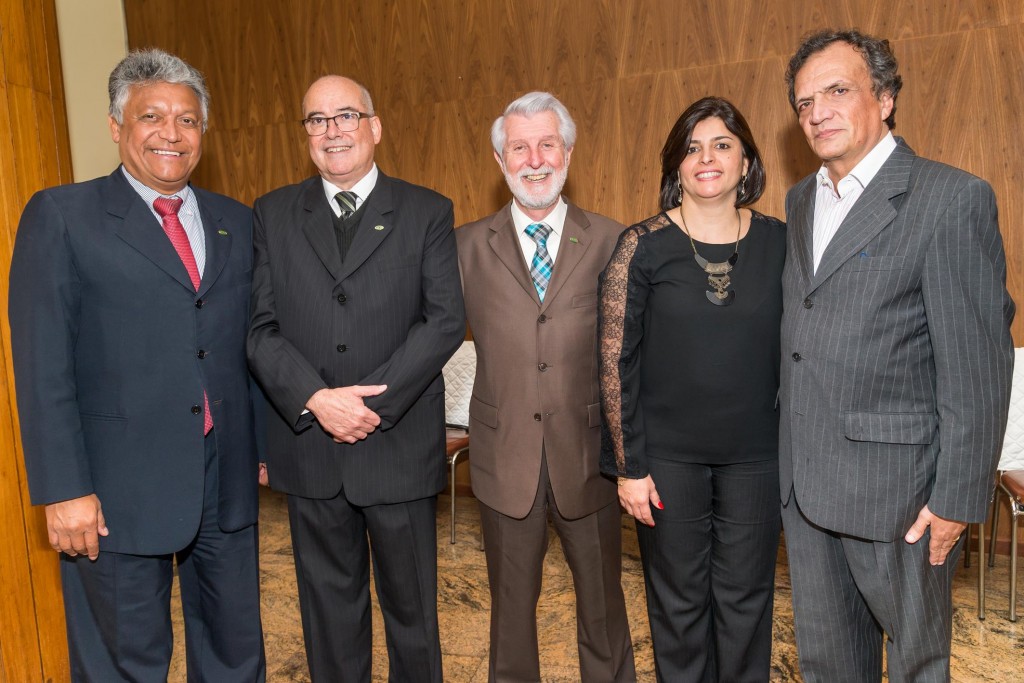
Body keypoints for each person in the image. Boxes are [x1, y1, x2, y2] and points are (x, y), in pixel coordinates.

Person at [8, 49, 265, 682]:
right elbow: (42, 366)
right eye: (152, 116)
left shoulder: (237, 221)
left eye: (188, 120)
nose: (172, 134)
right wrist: (64, 489)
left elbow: (245, 342)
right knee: (125, 664)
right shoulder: (62, 216)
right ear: (117, 126)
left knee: (236, 655)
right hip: (114, 488)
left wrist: (259, 446)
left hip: (224, 479)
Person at [780, 29, 1015, 682]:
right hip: (805, 484)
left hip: (901, 499)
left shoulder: (948, 199)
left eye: (837, 90)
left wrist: (959, 496)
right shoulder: (801, 200)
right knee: (829, 663)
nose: (817, 111)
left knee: (915, 665)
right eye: (804, 102)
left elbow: (977, 364)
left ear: (884, 98)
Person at [246, 75, 465, 682]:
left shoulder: (427, 210)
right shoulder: (272, 213)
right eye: (316, 120)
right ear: (307, 136)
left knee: (413, 615)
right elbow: (260, 329)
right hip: (311, 451)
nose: (331, 130)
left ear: (374, 126)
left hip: (395, 446)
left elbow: (444, 321)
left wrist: (369, 406)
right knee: (328, 616)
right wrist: (317, 399)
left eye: (345, 115)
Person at [600, 96, 784, 682]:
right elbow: (612, 364)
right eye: (693, 147)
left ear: (747, 162)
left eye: (722, 145)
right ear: (676, 165)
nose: (707, 158)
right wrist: (629, 467)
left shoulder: (782, 242)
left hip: (757, 460)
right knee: (678, 606)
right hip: (667, 463)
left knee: (747, 603)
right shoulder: (640, 246)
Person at [457, 92, 636, 682]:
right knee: (510, 617)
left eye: (547, 144)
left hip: (590, 460)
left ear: (568, 152)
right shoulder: (462, 248)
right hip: (502, 458)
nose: (535, 159)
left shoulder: (613, 241)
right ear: (499, 159)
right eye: (520, 147)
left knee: (604, 612)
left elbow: (632, 357)